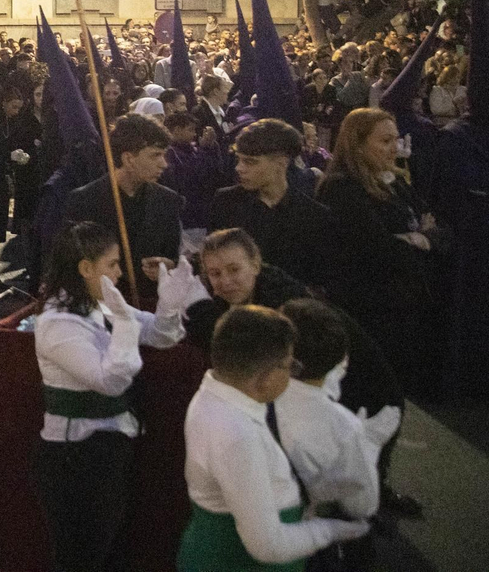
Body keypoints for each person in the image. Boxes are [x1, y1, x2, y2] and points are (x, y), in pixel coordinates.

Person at [32, 221, 199, 572]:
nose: (120, 273)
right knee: (83, 556)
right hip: (75, 455)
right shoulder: (58, 322)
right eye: (113, 264)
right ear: (85, 269)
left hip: (109, 446)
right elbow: (109, 381)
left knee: (112, 548)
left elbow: (160, 335)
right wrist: (125, 327)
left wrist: (169, 306)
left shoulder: (101, 304)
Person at [178, 306, 370, 571]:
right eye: (288, 364)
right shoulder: (238, 436)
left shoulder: (212, 394)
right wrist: (329, 530)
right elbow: (268, 545)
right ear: (265, 378)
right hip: (235, 562)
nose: (292, 372)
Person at [315, 108, 436, 398]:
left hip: (403, 300)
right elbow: (373, 247)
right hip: (369, 307)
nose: (394, 147)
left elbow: (436, 226)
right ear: (357, 144)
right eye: (384, 141)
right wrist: (414, 236)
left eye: (396, 139)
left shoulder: (394, 181)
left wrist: (416, 237)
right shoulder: (341, 188)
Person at [274, 299, 398, 572]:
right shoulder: (341, 426)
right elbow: (362, 506)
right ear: (343, 359)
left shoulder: (256, 389)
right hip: (301, 542)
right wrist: (369, 447)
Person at [59, 114, 185, 285]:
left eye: (163, 155)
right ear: (128, 159)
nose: (164, 164)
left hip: (151, 305)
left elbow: (172, 256)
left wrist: (169, 266)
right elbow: (70, 266)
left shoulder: (167, 200)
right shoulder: (84, 201)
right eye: (155, 155)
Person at [210, 120, 336, 291]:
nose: (239, 168)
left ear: (281, 163)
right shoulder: (226, 203)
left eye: (250, 162)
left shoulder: (313, 216)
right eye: (238, 160)